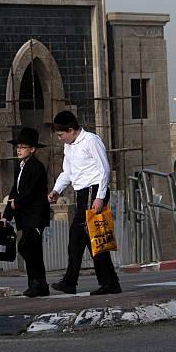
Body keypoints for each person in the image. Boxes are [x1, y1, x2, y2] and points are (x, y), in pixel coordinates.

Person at [47, 110, 121, 295]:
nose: (60, 138)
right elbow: (68, 172)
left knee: (78, 237)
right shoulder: (69, 146)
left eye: (61, 134)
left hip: (93, 190)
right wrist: (57, 189)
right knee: (93, 239)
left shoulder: (90, 140)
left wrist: (100, 197)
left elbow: (103, 169)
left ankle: (70, 281)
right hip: (82, 193)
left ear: (71, 130)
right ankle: (109, 282)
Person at [2, 127, 50, 297]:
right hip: (25, 217)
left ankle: (38, 283)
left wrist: (17, 203)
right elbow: (14, 190)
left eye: (23, 147)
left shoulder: (37, 167)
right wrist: (6, 214)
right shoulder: (20, 167)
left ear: (32, 149)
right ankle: (37, 284)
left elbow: (32, 191)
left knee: (27, 246)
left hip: (36, 216)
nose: (19, 150)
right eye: (18, 147)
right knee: (32, 249)